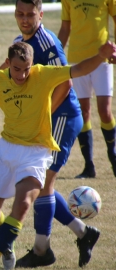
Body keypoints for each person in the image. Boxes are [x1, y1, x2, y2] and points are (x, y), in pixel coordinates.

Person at [0, 41, 116, 270]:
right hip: (6, 150)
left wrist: (100, 56)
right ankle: (7, 246)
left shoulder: (43, 75)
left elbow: (77, 70)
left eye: (27, 68)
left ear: (33, 65)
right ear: (8, 63)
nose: (22, 75)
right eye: (17, 69)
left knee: (23, 203)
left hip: (36, 153)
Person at [0, 0, 100, 268]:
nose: (25, 19)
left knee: (42, 183)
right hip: (52, 120)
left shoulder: (47, 43)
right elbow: (7, 70)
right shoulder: (22, 40)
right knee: (41, 183)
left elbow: (65, 83)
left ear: (41, 14)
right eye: (20, 14)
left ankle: (42, 250)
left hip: (63, 117)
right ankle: (82, 233)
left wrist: (44, 114)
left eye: (31, 14)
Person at [58, 0, 116, 179]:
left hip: (102, 59)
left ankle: (113, 157)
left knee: (105, 111)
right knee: (83, 112)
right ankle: (88, 166)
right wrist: (56, 55)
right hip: (77, 61)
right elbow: (65, 28)